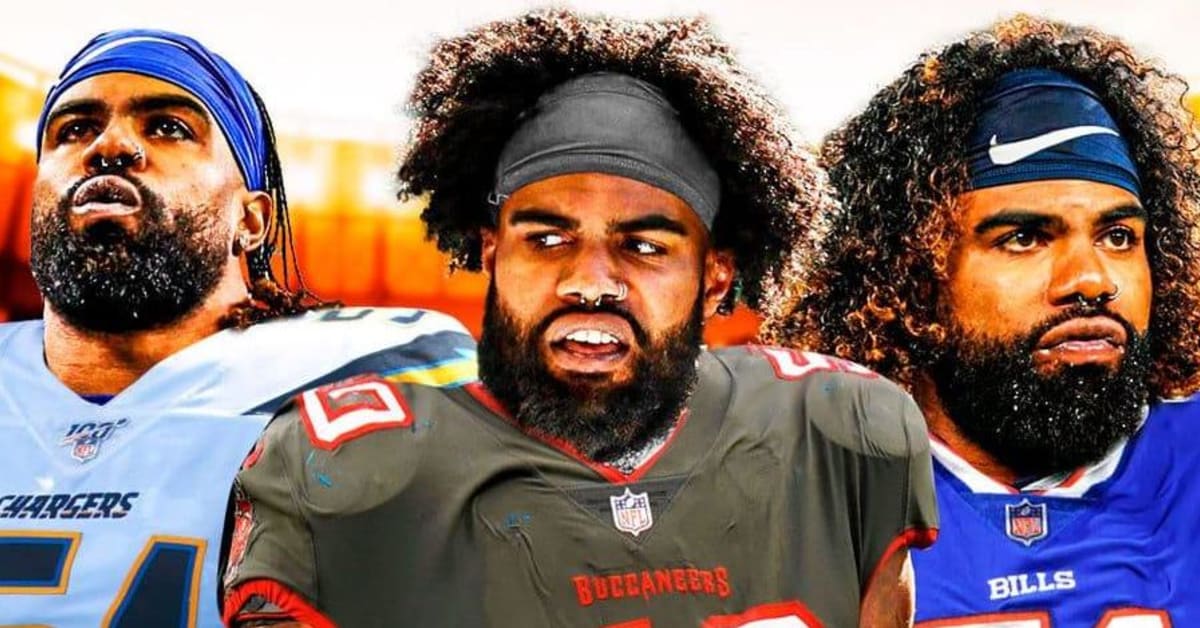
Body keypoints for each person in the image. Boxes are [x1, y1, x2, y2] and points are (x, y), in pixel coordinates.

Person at [221, 10, 938, 628]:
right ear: (491, 252)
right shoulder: (347, 462)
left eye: (645, 245)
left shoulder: (840, 432)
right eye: (549, 238)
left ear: (715, 274)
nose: (592, 280)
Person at [0, 29, 476, 626]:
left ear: (251, 221)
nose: (110, 144)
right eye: (73, 129)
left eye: (168, 127)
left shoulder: (383, 361)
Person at [762, 15, 1200, 625]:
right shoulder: (814, 508)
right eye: (1025, 237)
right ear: (915, 277)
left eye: (1119, 236)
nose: (1093, 279)